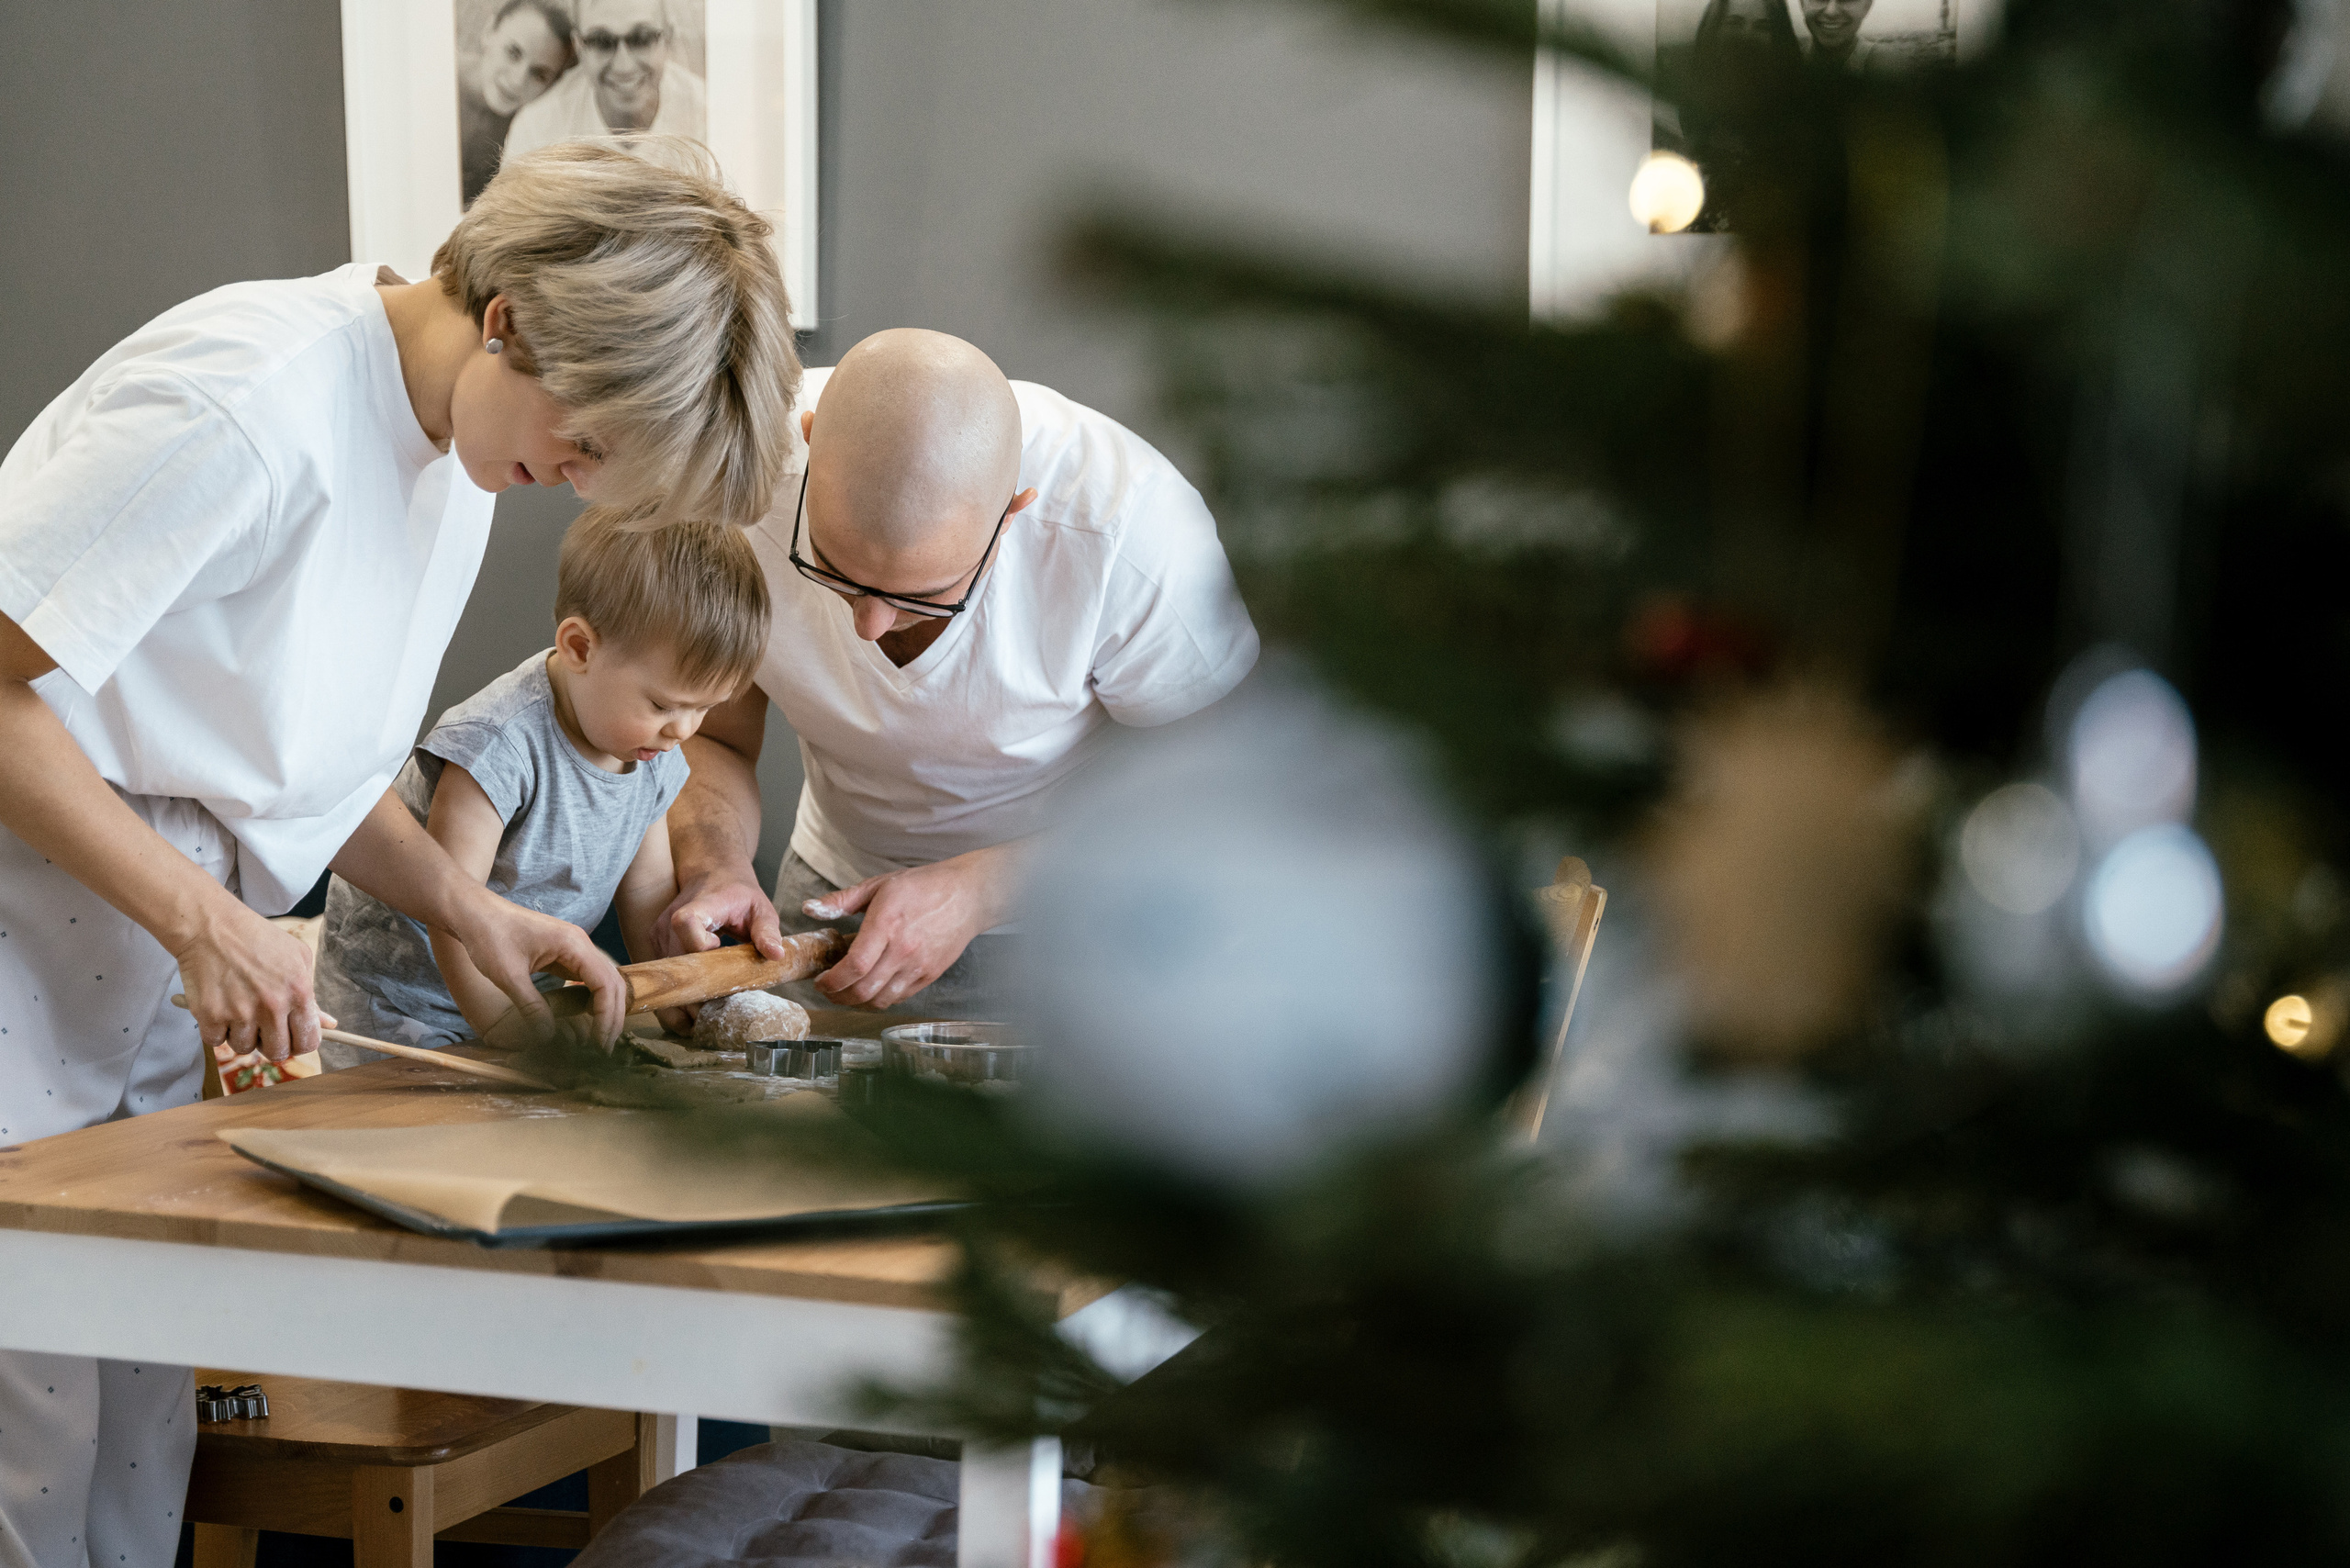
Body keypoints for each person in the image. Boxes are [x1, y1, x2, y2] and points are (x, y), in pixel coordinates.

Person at [0, 137, 797, 1568]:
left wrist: (464, 907)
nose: (579, 483)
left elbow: (293, 761)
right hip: (30, 919)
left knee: (136, 1411)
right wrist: (199, 919)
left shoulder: (448, 460)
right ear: (510, 321)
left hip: (135, 947)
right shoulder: (245, 402)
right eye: (595, 440)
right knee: (32, 1428)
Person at [657, 330, 1261, 1014]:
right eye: (831, 568)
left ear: (1013, 512)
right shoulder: (733, 484)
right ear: (809, 439)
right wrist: (716, 865)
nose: (869, 625)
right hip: (829, 900)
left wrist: (978, 890)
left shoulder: (1132, 532)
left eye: (922, 596)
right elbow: (713, 735)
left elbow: (1218, 794)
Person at [316, 510, 766, 1063]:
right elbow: (450, 915)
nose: (684, 730)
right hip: (400, 1001)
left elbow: (647, 896)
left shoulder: (649, 749)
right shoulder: (497, 744)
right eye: (663, 704)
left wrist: (672, 993)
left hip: (525, 988)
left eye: (705, 709)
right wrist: (505, 1023)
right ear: (580, 648)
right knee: (423, 1135)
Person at [503, 0, 705, 160]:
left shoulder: (709, 114)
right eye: (601, 41)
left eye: (642, 38)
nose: (624, 66)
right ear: (580, 48)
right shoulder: (537, 132)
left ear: (668, 39)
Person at [459, 0, 576, 205]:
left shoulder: (534, 130)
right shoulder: (438, 84)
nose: (518, 80)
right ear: (489, 32)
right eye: (513, 53)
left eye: (539, 74)